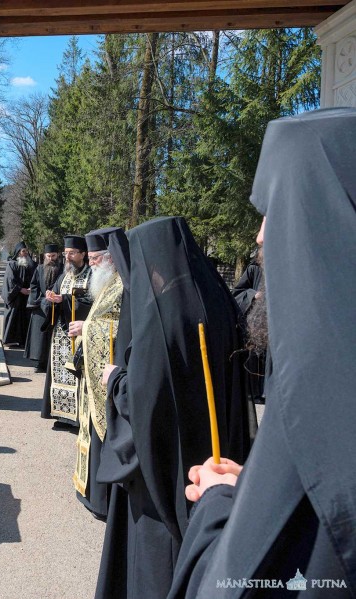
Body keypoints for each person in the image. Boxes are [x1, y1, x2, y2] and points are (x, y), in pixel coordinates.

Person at [170, 108, 356, 598]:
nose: (258, 235)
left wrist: (217, 504)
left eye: (274, 209)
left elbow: (243, 581)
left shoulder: (320, 396)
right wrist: (255, 483)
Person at [93, 216, 254, 599]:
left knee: (157, 567)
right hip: (213, 463)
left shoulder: (162, 318)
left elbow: (143, 399)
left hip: (163, 477)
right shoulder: (218, 302)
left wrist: (115, 378)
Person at [70, 227, 127, 520]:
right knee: (91, 430)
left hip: (111, 373)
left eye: (95, 259)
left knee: (105, 432)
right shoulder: (106, 284)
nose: (90, 264)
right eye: (89, 259)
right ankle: (90, 492)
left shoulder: (123, 284)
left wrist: (87, 328)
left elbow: (126, 328)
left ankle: (104, 500)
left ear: (110, 258)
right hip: (95, 372)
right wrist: (87, 326)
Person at [40, 235, 93, 425]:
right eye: (66, 253)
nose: (68, 257)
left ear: (83, 254)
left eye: (72, 253)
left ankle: (77, 419)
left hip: (78, 334)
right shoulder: (64, 276)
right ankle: (62, 416)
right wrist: (51, 299)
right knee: (59, 373)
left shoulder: (91, 275)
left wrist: (65, 300)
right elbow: (53, 299)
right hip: (60, 335)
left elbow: (92, 303)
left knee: (77, 375)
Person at [230, 246, 268, 404]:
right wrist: (254, 295)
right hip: (256, 324)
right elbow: (237, 294)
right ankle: (255, 393)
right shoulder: (254, 269)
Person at [24, 243, 63, 372]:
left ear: (57, 255)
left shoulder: (63, 269)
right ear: (45, 256)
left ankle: (52, 363)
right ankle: (39, 363)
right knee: (39, 338)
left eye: (53, 256)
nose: (51, 258)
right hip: (40, 307)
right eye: (49, 256)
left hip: (57, 306)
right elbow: (34, 286)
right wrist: (41, 300)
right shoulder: (39, 269)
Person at [1, 241, 37, 348]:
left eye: (26, 251)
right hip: (15, 297)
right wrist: (21, 289)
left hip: (27, 298)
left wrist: (32, 288)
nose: (25, 253)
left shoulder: (31, 265)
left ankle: (24, 341)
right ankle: (10, 340)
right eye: (23, 251)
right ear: (18, 252)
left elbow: (36, 278)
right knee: (14, 317)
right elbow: (10, 281)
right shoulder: (12, 265)